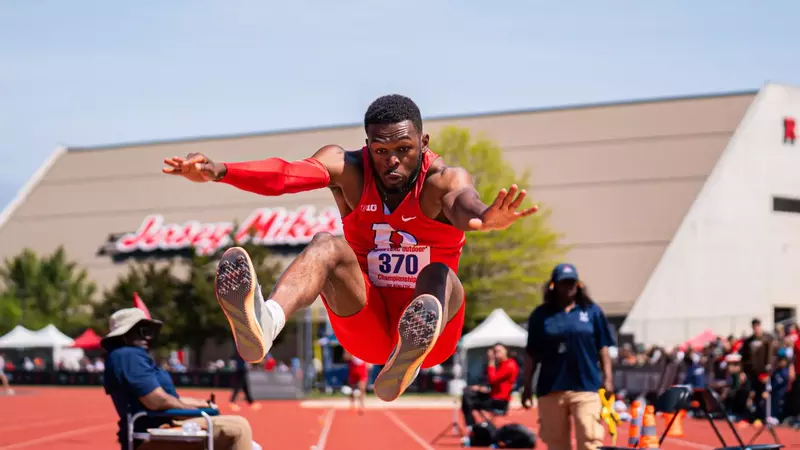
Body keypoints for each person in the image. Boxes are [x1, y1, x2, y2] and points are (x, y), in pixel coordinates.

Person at [162, 94, 538, 401]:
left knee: (439, 273)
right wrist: (221, 170)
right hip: (366, 323)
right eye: (380, 150)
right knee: (326, 244)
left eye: (404, 149)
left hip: (433, 334)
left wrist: (487, 217)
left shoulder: (441, 181)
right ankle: (267, 321)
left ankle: (408, 357)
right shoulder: (349, 169)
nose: (391, 160)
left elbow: (464, 202)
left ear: (424, 144)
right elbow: (286, 175)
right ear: (367, 145)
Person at [102, 308, 254, 450]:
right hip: (155, 429)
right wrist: (193, 410)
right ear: (124, 335)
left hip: (162, 423)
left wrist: (200, 403)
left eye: (149, 331)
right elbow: (156, 401)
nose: (147, 336)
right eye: (141, 331)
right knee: (239, 428)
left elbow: (167, 398)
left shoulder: (129, 356)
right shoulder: (128, 356)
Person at [521, 263, 615, 450]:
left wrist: (608, 379)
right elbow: (532, 354)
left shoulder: (591, 312)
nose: (569, 286)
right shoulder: (541, 315)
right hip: (551, 388)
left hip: (586, 386)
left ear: (578, 284)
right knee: (556, 444)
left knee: (591, 440)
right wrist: (526, 387)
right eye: (564, 283)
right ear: (553, 285)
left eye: (572, 282)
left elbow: (603, 347)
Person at [461, 343, 519, 430]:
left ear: (506, 352)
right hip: (493, 396)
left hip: (499, 401)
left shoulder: (509, 365)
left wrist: (491, 361)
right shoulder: (501, 364)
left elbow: (493, 379)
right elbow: (494, 383)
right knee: (468, 394)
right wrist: (480, 388)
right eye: (495, 352)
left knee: (467, 399)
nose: (496, 354)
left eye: (498, 351)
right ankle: (475, 426)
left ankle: (472, 426)